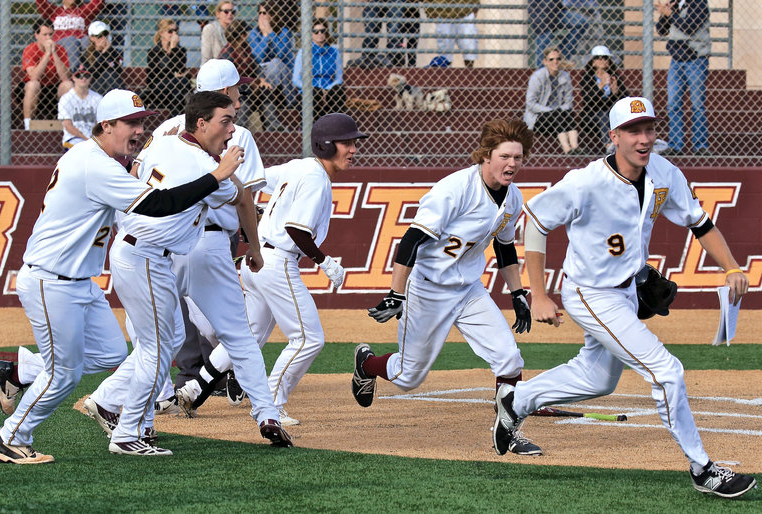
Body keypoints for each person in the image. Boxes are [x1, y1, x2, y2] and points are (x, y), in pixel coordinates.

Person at [492, 96, 757, 498]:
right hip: (590, 293)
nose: (643, 138)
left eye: (649, 129)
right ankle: (703, 469)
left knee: (597, 378)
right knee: (666, 371)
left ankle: (516, 401)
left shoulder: (664, 173)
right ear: (614, 136)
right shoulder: (587, 181)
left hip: (628, 291)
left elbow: (700, 223)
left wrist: (733, 267)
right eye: (633, 131)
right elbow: (537, 222)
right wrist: (539, 294)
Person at [0, 88, 244, 463]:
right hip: (51, 280)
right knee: (64, 374)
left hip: (79, 282)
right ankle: (10, 437)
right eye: (130, 123)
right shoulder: (95, 165)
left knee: (110, 352)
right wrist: (217, 174)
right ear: (106, 125)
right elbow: (160, 204)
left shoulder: (100, 160)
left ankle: (18, 373)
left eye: (141, 122)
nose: (139, 130)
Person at [82, 91, 293, 455]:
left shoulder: (163, 141)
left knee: (167, 340)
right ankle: (132, 429)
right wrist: (224, 176)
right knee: (166, 345)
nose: (233, 128)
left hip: (150, 253)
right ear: (201, 123)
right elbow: (238, 196)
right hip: (153, 254)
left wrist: (218, 170)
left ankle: (115, 406)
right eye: (226, 120)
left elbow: (139, 174)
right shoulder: (206, 167)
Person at [355, 118, 541, 455]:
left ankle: (508, 431)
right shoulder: (455, 189)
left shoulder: (513, 197)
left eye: (518, 157)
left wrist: (518, 294)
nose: (512, 164)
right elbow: (412, 240)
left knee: (510, 359)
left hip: (469, 290)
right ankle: (366, 364)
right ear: (486, 155)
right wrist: (396, 293)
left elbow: (504, 247)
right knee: (408, 377)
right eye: (504, 156)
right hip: (428, 289)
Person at [183, 113, 365, 426]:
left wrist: (266, 209)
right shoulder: (316, 178)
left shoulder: (300, 166)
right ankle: (272, 404)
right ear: (326, 144)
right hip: (278, 261)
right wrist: (325, 262)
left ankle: (194, 388)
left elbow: (257, 179)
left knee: (247, 337)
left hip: (260, 260)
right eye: (346, 143)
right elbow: (296, 229)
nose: (353, 149)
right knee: (308, 339)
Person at [655, 0, 711, 156]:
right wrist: (664, 15)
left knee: (697, 104)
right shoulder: (675, 5)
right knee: (673, 104)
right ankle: (676, 145)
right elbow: (662, 30)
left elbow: (689, 27)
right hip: (676, 59)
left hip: (696, 59)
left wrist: (670, 14)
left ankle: (700, 145)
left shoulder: (699, 3)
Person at [221, 20, 284, 131]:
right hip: (236, 89)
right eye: (246, 33)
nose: (248, 35)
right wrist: (252, 82)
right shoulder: (227, 53)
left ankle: (273, 126)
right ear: (242, 35)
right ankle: (241, 125)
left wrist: (261, 79)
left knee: (266, 89)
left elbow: (255, 66)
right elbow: (230, 78)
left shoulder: (245, 48)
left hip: (251, 85)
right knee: (246, 90)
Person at [524, 46, 580, 154]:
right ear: (545, 62)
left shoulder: (565, 76)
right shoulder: (537, 77)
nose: (555, 62)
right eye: (551, 59)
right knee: (556, 115)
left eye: (558, 59)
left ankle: (575, 147)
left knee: (568, 114)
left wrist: (558, 110)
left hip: (560, 115)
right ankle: (567, 149)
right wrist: (550, 110)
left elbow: (569, 102)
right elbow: (530, 103)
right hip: (538, 117)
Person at [21, 19, 73, 130]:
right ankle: (27, 124)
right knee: (33, 84)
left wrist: (54, 53)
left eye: (50, 34)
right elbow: (33, 77)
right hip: (35, 88)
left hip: (54, 87)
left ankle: (66, 123)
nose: (48, 38)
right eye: (44, 35)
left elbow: (65, 77)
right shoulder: (30, 49)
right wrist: (47, 54)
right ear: (36, 35)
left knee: (68, 85)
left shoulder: (60, 50)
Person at [293, 19, 345, 120]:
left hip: (328, 89)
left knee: (338, 90)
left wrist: (326, 90)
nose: (319, 34)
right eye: (316, 31)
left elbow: (339, 78)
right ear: (311, 34)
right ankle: (312, 125)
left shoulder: (334, 52)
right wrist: (315, 89)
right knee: (314, 93)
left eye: (322, 31)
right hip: (310, 89)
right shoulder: (303, 52)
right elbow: (296, 80)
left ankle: (335, 124)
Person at [580, 45, 627, 153]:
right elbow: (588, 100)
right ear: (593, 62)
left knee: (608, 114)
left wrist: (615, 92)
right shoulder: (586, 77)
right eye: (598, 58)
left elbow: (623, 100)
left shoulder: (615, 76)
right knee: (603, 115)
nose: (602, 60)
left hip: (612, 112)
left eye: (605, 58)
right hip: (592, 114)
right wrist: (600, 86)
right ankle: (609, 145)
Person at [35, 0, 104, 72]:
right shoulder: (54, 11)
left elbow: (98, 2)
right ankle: (75, 71)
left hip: (81, 42)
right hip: (60, 44)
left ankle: (90, 70)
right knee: (71, 40)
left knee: (87, 39)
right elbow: (41, 3)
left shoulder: (84, 11)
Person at [144, 19, 190, 115]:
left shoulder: (181, 51)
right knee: (184, 82)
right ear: (161, 33)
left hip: (175, 89)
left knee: (177, 94)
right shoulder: (154, 52)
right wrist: (176, 74)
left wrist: (173, 49)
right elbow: (156, 76)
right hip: (158, 88)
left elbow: (180, 69)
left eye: (176, 31)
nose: (174, 34)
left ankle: (173, 120)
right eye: (170, 31)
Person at [248, 2, 295, 97]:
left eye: (265, 13)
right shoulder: (254, 33)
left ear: (273, 15)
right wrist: (265, 36)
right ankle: (271, 97)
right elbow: (258, 58)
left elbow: (281, 54)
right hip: (261, 72)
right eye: (260, 13)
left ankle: (281, 99)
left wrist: (270, 33)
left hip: (283, 73)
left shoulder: (284, 32)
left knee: (275, 63)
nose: (261, 16)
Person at [58, 65, 102, 149]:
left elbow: (100, 124)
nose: (83, 78)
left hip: (93, 139)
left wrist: (94, 139)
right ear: (73, 78)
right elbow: (68, 125)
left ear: (90, 78)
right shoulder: (66, 99)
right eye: (79, 75)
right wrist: (86, 139)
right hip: (73, 139)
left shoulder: (98, 98)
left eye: (86, 75)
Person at [426, 0, 479, 68]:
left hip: (465, 9)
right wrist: (429, 9)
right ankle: (447, 72)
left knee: (468, 45)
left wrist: (475, 6)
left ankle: (469, 71)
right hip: (442, 11)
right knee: (445, 50)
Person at [82, 20, 124, 95]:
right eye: (99, 36)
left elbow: (118, 71)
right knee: (108, 74)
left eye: (105, 34)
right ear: (92, 38)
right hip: (94, 87)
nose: (103, 38)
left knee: (110, 74)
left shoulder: (114, 52)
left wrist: (107, 52)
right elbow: (93, 74)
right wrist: (103, 54)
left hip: (112, 86)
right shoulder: (86, 54)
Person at [528, 0, 562, 67]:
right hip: (542, 16)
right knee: (543, 43)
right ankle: (542, 69)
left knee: (581, 23)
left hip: (556, 11)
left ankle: (560, 55)